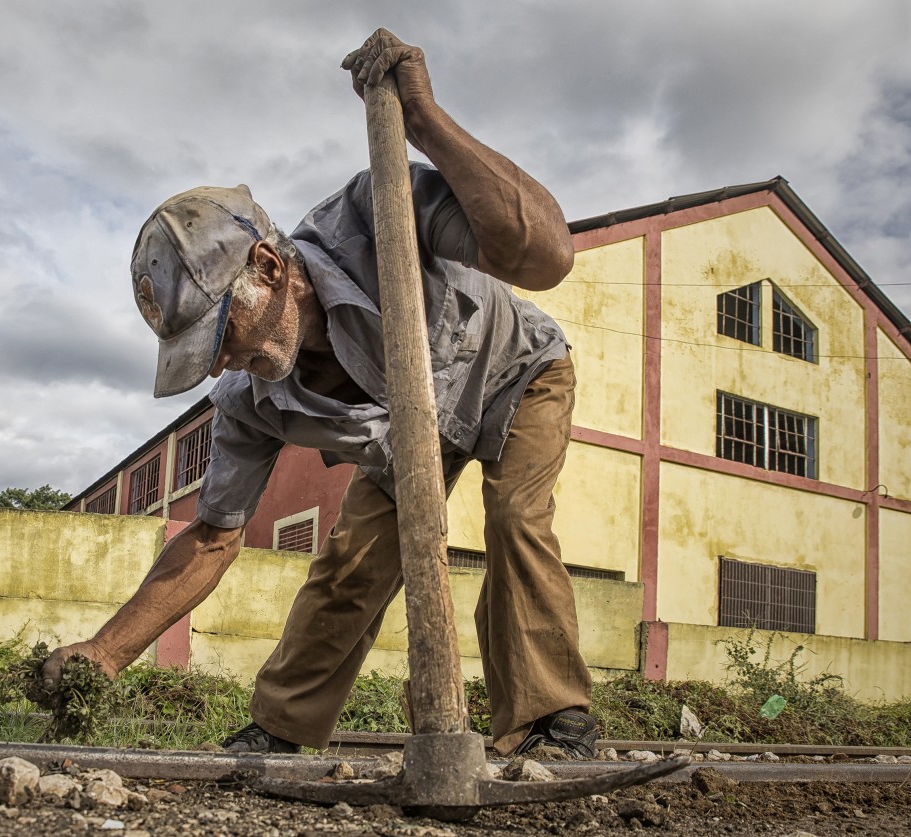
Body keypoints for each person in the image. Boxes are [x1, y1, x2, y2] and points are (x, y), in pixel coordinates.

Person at [43, 28, 596, 759]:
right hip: (409, 433)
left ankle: (551, 721)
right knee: (350, 564)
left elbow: (548, 253)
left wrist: (425, 122)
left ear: (269, 268)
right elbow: (211, 538)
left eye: (220, 333)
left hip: (514, 375)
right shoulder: (249, 399)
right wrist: (105, 652)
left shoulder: (376, 211)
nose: (219, 365)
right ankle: (280, 727)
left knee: (515, 518)